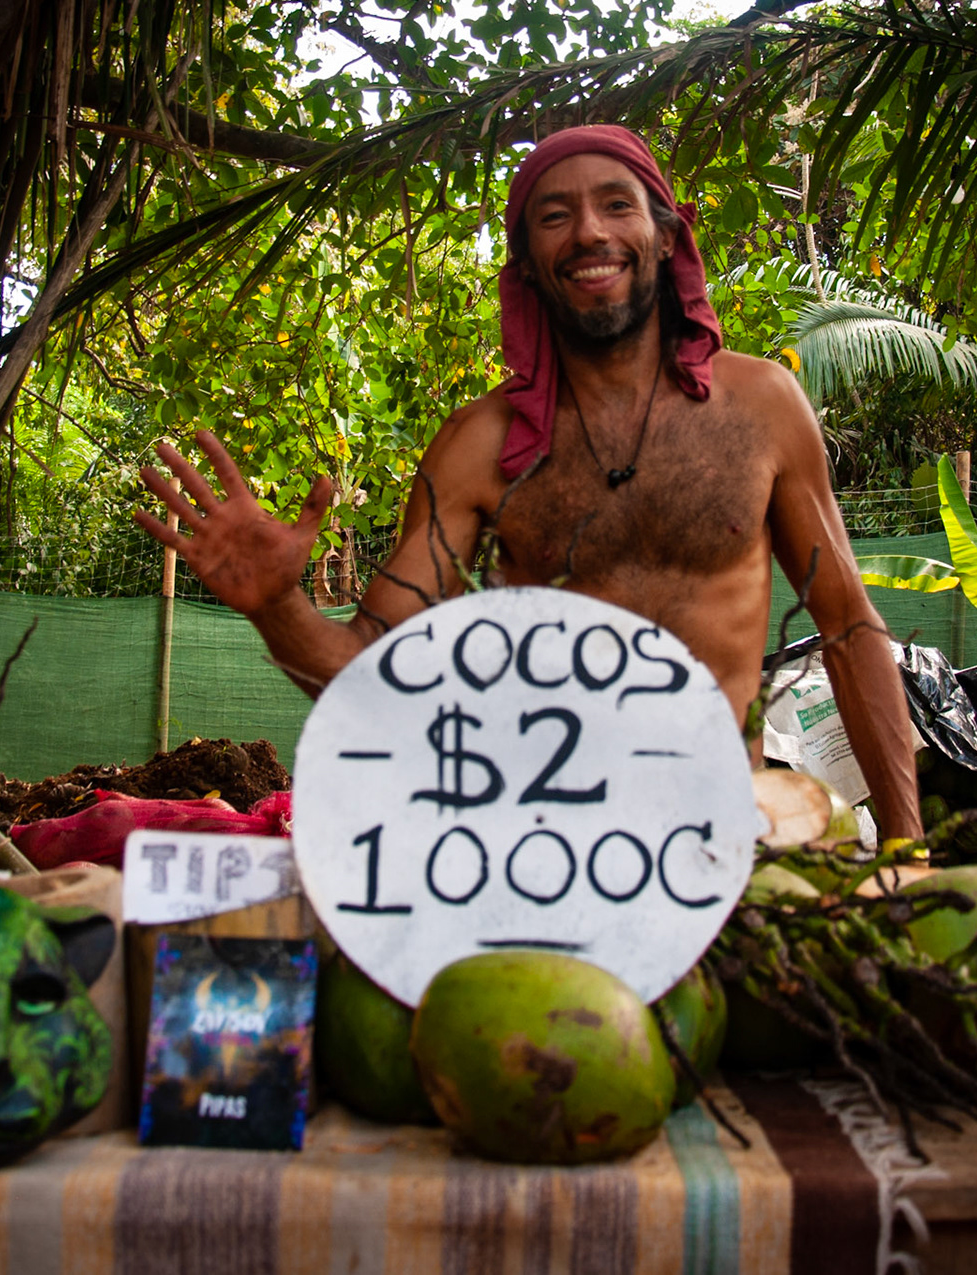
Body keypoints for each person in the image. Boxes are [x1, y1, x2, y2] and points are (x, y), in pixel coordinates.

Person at [135, 125, 922, 840]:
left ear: (665, 235)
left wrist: (909, 846)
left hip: (723, 840)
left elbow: (850, 627)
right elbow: (371, 679)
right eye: (554, 216)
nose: (589, 231)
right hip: (536, 849)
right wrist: (278, 606)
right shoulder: (478, 448)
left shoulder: (762, 407)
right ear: (527, 265)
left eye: (617, 204)